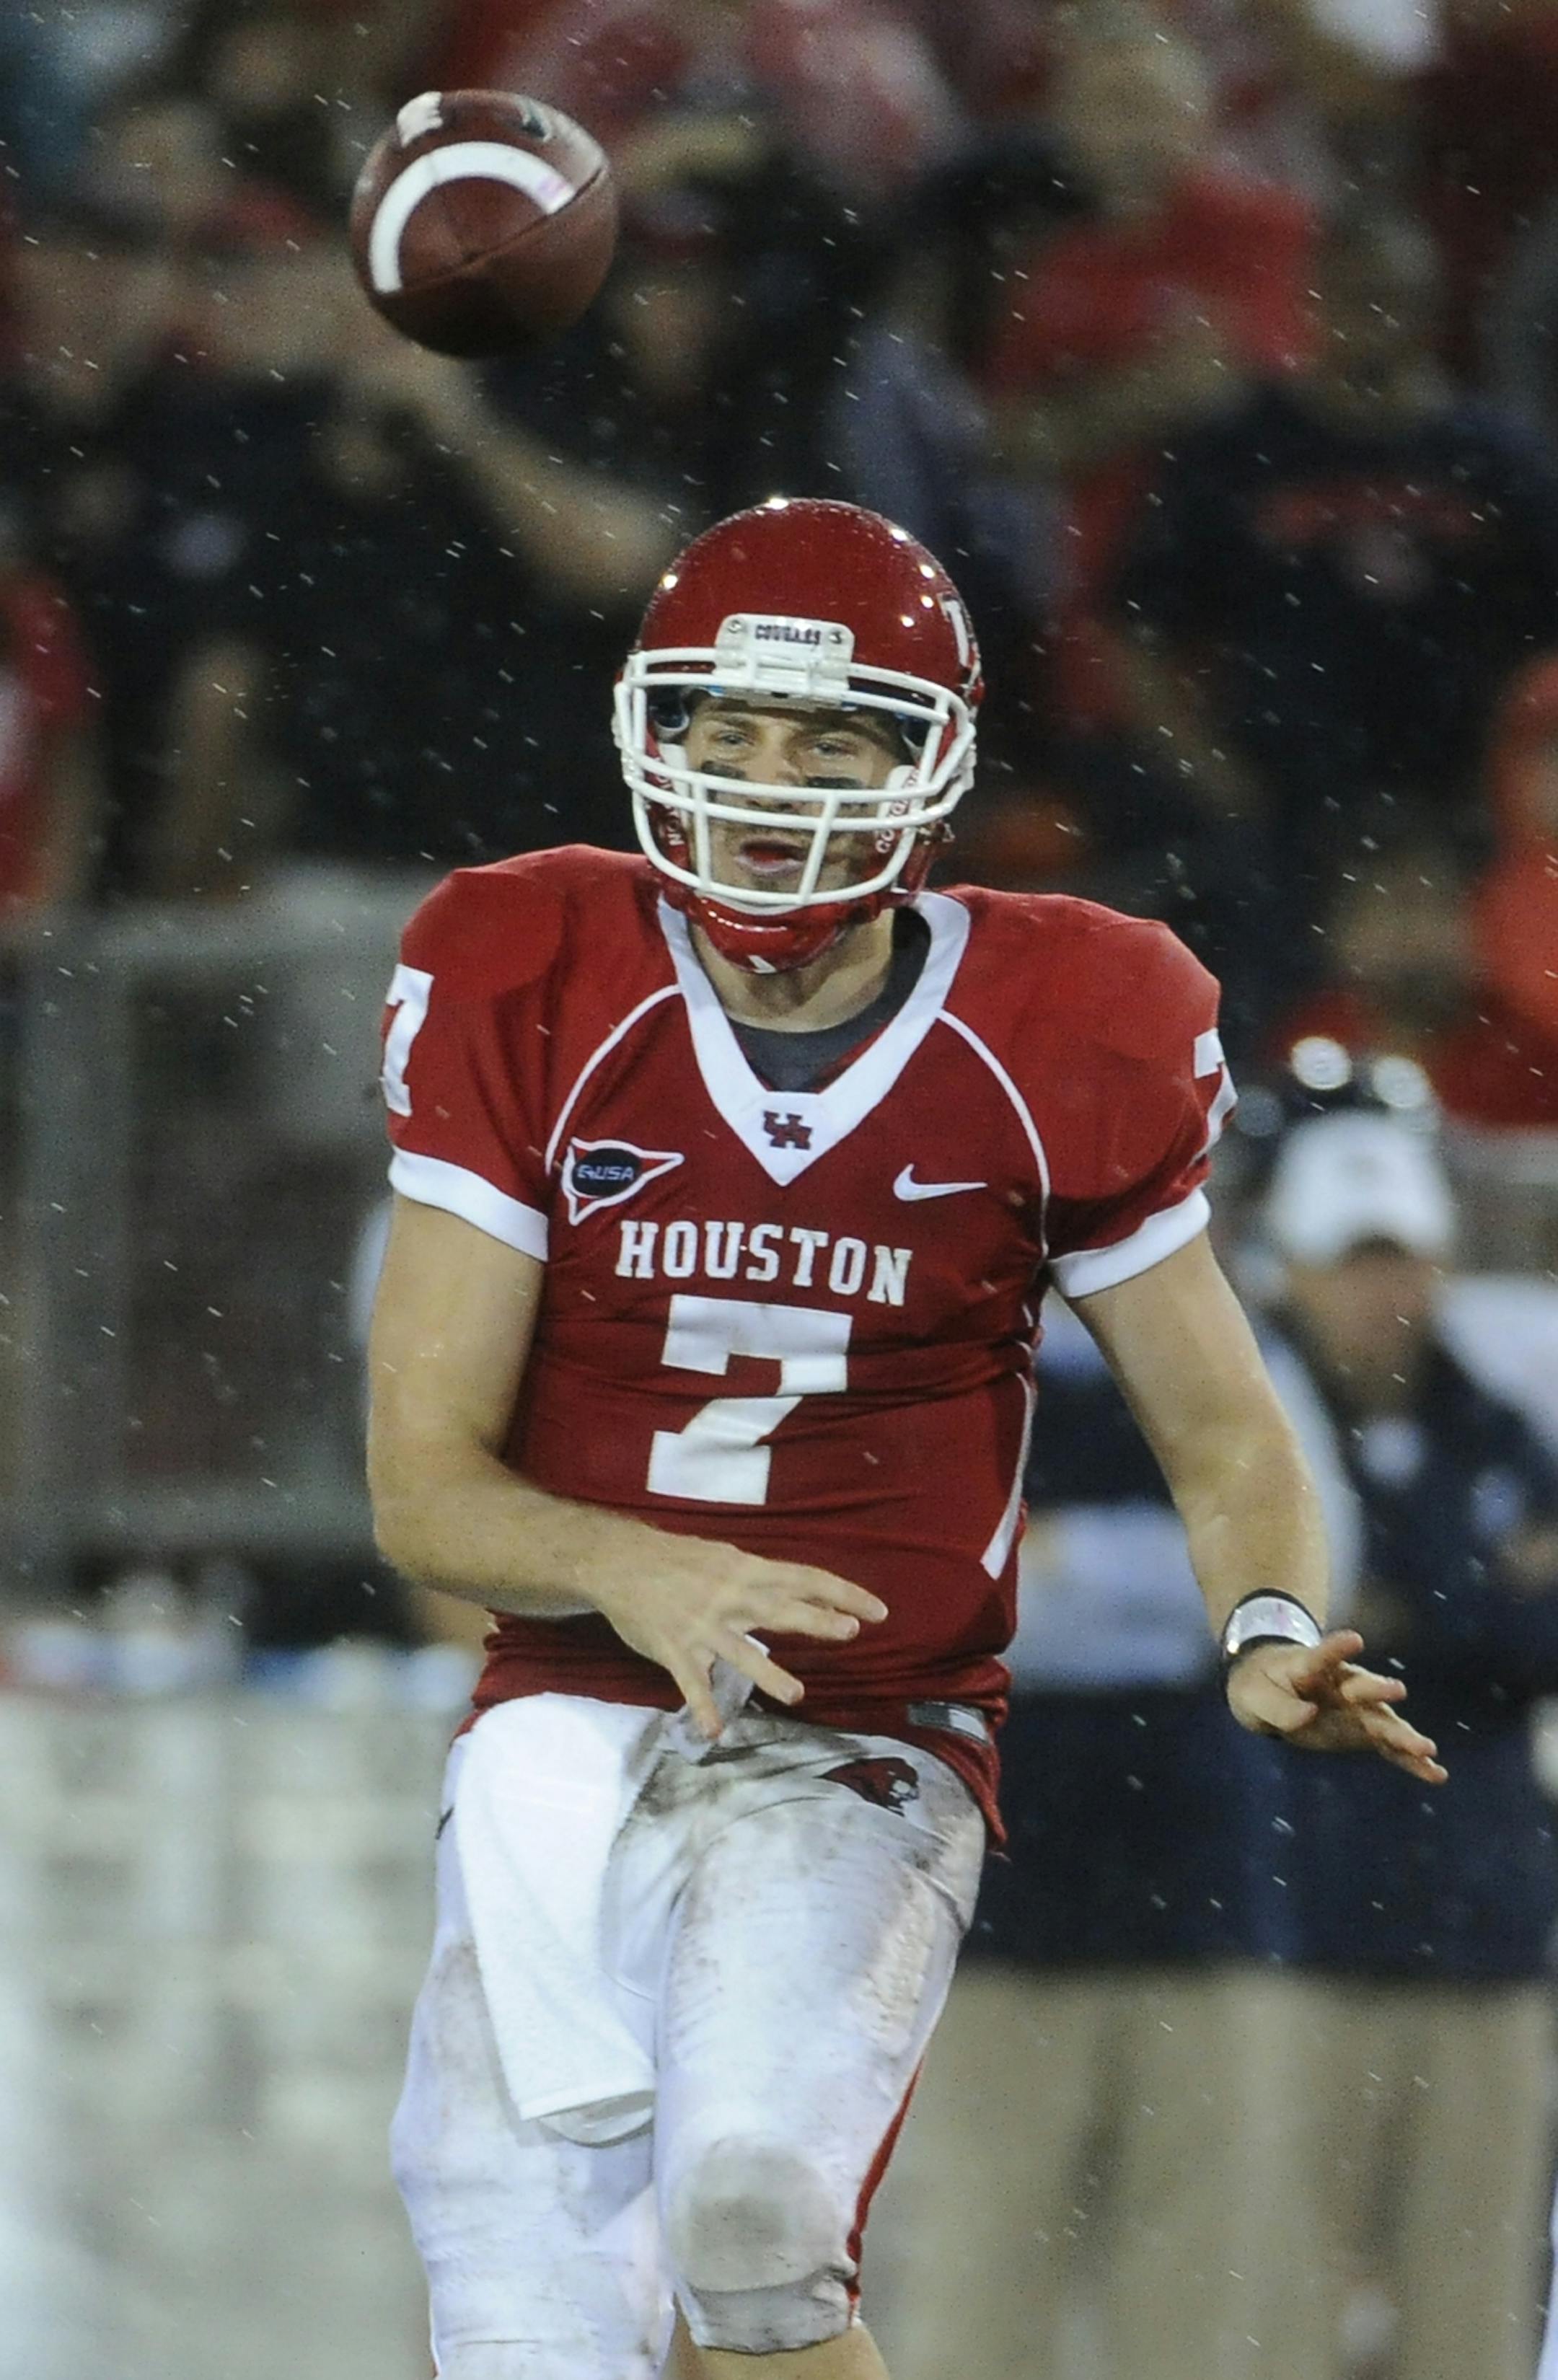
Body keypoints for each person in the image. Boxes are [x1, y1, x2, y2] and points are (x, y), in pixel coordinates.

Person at [365, 495, 1443, 2380]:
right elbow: (422, 1487)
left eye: (830, 738)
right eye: (731, 729)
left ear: (923, 763)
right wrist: (633, 1561)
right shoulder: (526, 969)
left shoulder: (1066, 1019)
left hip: (870, 1730)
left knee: (759, 2203)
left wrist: (1267, 1622)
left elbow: (1223, 1430)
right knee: (525, 2303)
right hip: (563, 1713)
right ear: (657, 730)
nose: (767, 781)